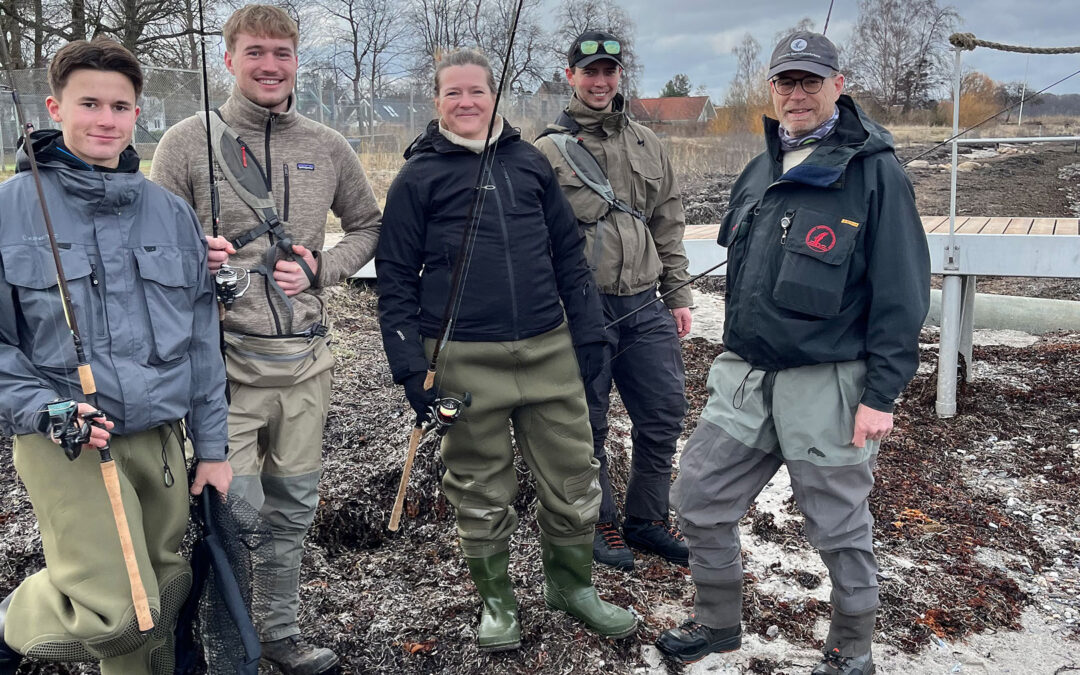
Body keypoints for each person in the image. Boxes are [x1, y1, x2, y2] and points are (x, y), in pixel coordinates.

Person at [654, 32, 930, 674]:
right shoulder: (760, 170)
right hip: (748, 375)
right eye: (786, 81)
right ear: (772, 88)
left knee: (838, 529)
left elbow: (903, 293)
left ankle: (851, 651)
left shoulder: (875, 172)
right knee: (697, 497)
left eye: (811, 80)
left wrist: (881, 395)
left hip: (827, 383)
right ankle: (717, 623)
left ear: (838, 85)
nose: (797, 94)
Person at [376, 48, 636, 652]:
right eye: (453, 92)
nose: (466, 102)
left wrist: (588, 332)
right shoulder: (417, 177)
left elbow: (568, 255)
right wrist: (409, 367)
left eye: (477, 91)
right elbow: (395, 278)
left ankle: (571, 588)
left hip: (548, 351)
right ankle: (497, 602)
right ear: (436, 101)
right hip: (463, 359)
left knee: (574, 477)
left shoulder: (529, 162)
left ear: (495, 96)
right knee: (478, 486)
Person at [150, 5, 381, 673]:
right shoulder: (186, 142)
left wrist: (321, 268)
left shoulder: (328, 145)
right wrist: (193, 257)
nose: (270, 65)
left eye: (282, 53)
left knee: (293, 510)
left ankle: (279, 633)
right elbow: (152, 248)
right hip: (224, 372)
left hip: (305, 365)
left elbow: (369, 226)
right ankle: (228, 649)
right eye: (255, 52)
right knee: (233, 515)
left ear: (297, 61)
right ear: (229, 60)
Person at [0, 38, 231, 675]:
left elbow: (202, 343)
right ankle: (10, 621)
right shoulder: (9, 211)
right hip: (68, 442)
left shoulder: (172, 213)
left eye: (120, 106)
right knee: (118, 613)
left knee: (164, 595)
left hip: (160, 439)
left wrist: (213, 449)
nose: (106, 119)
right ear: (54, 108)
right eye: (89, 103)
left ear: (137, 113)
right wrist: (45, 409)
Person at [534, 30, 692, 571]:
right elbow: (535, 240)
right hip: (584, 309)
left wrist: (678, 294)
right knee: (588, 422)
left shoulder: (648, 142)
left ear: (619, 75)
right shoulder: (547, 151)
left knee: (664, 414)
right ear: (570, 76)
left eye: (609, 71)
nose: (600, 81)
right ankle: (597, 521)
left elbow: (668, 220)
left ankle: (647, 521)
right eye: (589, 72)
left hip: (646, 304)